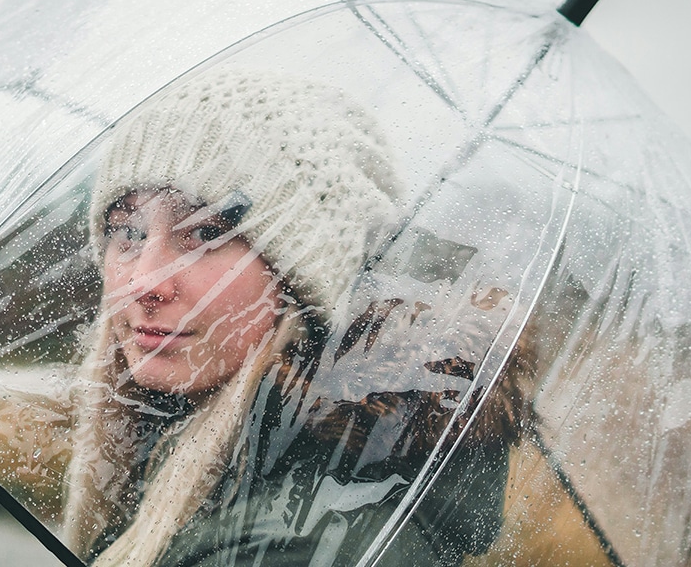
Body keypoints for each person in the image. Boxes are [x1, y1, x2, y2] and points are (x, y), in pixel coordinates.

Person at [50, 67, 528, 567]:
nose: (144, 282)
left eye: (205, 233)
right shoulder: (164, 436)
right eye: (127, 231)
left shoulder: (303, 541)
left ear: (299, 283)